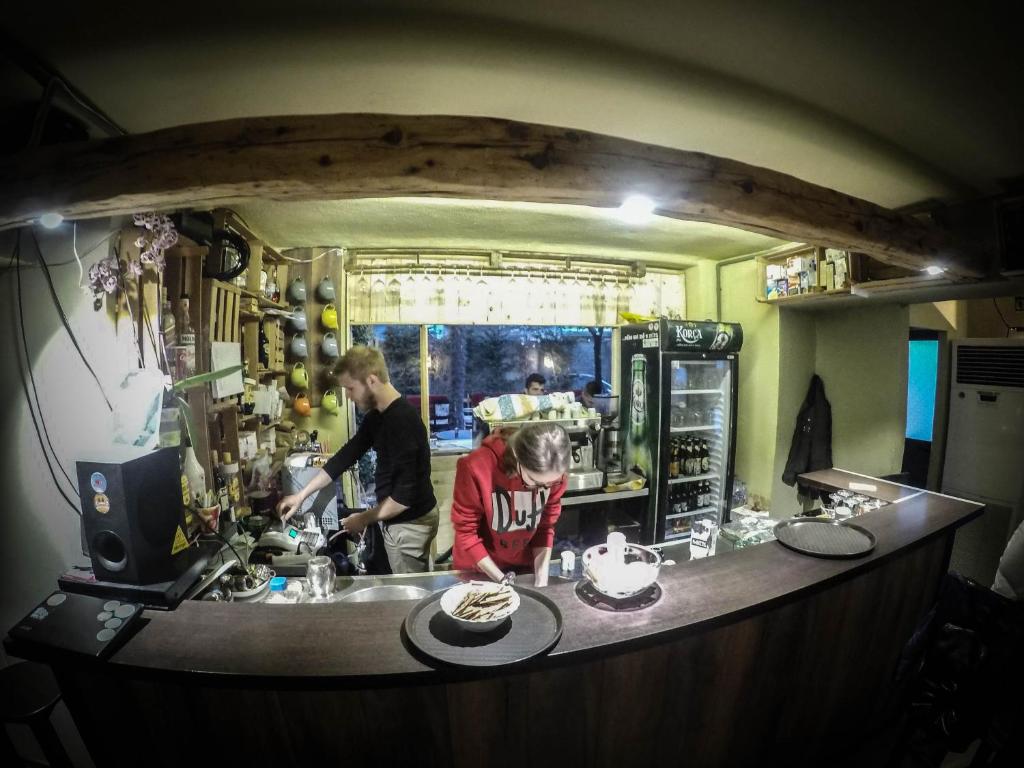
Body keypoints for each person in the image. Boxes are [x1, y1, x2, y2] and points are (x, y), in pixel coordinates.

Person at [276, 346, 438, 573]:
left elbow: (402, 499)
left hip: (410, 524)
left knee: (408, 591)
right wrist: (301, 495)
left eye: (350, 388)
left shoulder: (404, 422)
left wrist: (363, 518)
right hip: (397, 519)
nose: (348, 396)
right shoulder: (378, 416)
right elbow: (346, 456)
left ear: (371, 380)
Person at [450, 422, 570, 586]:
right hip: (478, 569)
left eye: (553, 483)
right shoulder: (476, 467)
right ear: (517, 459)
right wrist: (503, 581)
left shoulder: (554, 475)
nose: (544, 489)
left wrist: (541, 579)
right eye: (535, 483)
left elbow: (544, 527)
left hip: (522, 565)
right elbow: (467, 533)